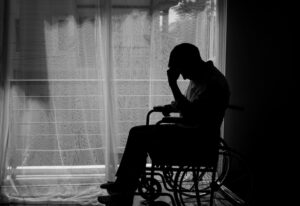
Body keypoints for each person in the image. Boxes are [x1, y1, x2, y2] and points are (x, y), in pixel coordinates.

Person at [98, 43, 230, 206]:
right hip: (189, 133)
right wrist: (171, 107)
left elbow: (190, 114)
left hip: (197, 141)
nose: (182, 76)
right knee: (138, 134)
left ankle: (123, 191)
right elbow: (189, 105)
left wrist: (173, 85)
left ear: (190, 62)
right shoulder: (201, 77)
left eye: (181, 69)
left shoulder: (213, 83)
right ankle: (124, 187)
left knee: (139, 135)